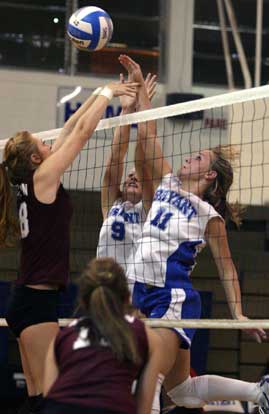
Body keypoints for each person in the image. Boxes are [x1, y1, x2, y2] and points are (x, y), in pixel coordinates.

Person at [119, 55, 269, 414]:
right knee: (182, 392)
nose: (189, 158)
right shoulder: (167, 181)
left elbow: (227, 267)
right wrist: (142, 96)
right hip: (138, 290)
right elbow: (148, 135)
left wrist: (239, 314)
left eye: (199, 158)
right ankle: (258, 393)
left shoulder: (208, 216)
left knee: (147, 380)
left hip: (171, 297)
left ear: (210, 176)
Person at [0, 80, 138, 413]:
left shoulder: (33, 180)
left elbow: (71, 126)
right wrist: (108, 95)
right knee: (52, 398)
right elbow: (80, 136)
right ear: (36, 157)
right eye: (42, 143)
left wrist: (103, 91)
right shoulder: (43, 179)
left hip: (30, 299)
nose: (49, 141)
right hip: (36, 302)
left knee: (37, 399)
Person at [42, 257, 162, 414]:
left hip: (60, 407)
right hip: (111, 407)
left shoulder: (64, 336)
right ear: (127, 297)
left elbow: (48, 396)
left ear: (83, 301)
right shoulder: (148, 336)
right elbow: (144, 407)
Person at [97, 71, 156, 275]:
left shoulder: (149, 210)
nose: (132, 176)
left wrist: (143, 109)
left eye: (137, 175)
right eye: (129, 175)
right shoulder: (111, 204)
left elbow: (143, 156)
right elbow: (116, 157)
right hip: (103, 287)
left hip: (133, 290)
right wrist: (127, 110)